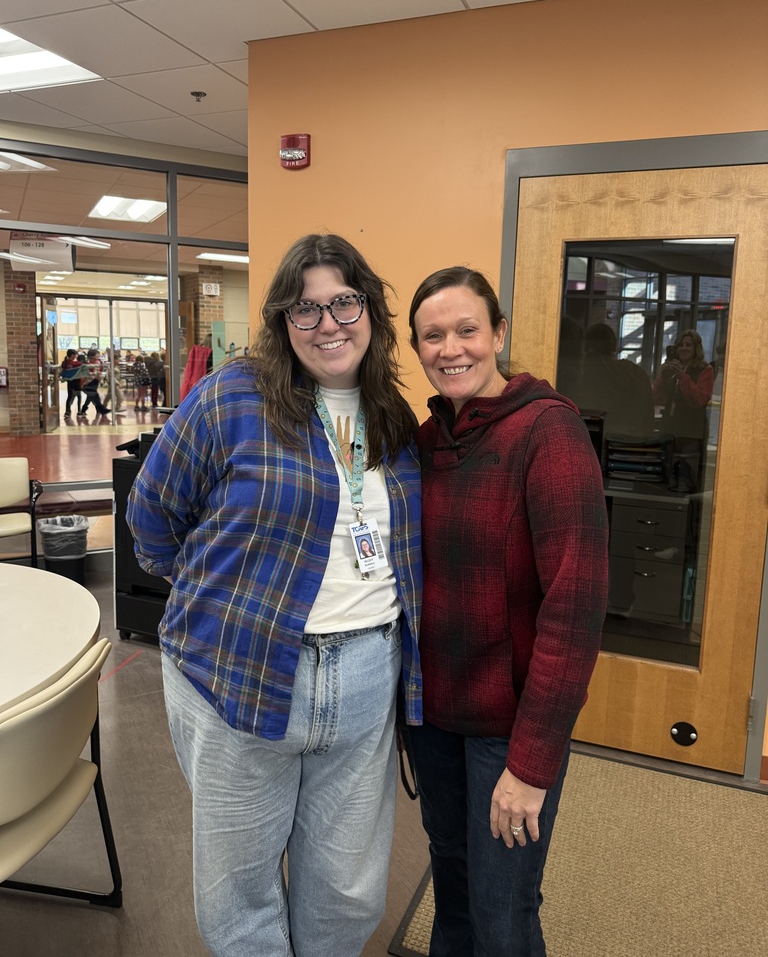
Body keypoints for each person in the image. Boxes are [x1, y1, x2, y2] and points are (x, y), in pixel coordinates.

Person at [126, 233, 423, 957]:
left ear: (372, 312)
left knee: (350, 891)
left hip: (363, 679)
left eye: (344, 302)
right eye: (305, 309)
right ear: (282, 323)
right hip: (239, 671)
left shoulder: (393, 417)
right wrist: (212, 593)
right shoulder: (232, 396)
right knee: (241, 892)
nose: (328, 324)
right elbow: (152, 513)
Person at [407, 266, 608, 957]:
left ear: (498, 333)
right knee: (453, 891)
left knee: (502, 909)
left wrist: (531, 764)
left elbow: (575, 608)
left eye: (467, 329)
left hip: (508, 734)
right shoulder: (428, 443)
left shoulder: (548, 433)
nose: (451, 347)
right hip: (434, 722)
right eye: (433, 335)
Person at [652, 329, 713, 490]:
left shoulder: (705, 370)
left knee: (687, 475)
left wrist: (682, 376)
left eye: (688, 345)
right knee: (665, 473)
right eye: (680, 345)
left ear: (696, 348)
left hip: (691, 431)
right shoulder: (671, 371)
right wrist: (663, 376)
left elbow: (700, 399)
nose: (683, 348)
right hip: (669, 428)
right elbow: (655, 398)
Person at [79, 348, 110, 418]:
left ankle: (86, 410)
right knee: (94, 396)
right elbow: (92, 374)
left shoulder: (97, 362)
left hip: (94, 382)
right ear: (92, 356)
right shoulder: (90, 364)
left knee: (91, 396)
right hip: (89, 383)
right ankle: (101, 409)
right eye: (97, 354)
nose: (99, 355)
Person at [60, 348, 83, 417]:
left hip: (72, 382)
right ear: (72, 355)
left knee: (71, 396)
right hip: (74, 382)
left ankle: (68, 411)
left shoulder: (65, 362)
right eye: (74, 355)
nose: (75, 356)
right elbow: (80, 364)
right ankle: (77, 411)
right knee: (77, 396)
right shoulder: (72, 363)